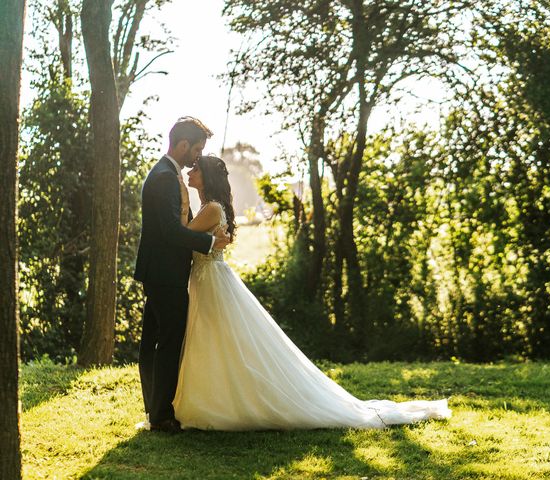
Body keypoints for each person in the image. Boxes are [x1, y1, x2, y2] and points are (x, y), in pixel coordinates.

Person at [172, 155, 451, 431]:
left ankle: (222, 403)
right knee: (214, 341)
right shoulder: (208, 207)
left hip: (211, 281)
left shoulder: (210, 208)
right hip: (207, 278)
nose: (190, 170)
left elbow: (180, 235)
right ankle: (217, 398)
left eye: (195, 168)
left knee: (216, 340)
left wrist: (182, 201)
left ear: (206, 176)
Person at [134, 118, 231, 433]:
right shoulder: (164, 177)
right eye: (197, 149)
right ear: (184, 144)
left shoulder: (168, 174)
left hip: (162, 271)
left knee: (153, 341)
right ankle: (161, 415)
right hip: (165, 273)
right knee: (168, 341)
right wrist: (210, 242)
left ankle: (155, 409)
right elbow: (170, 232)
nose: (197, 156)